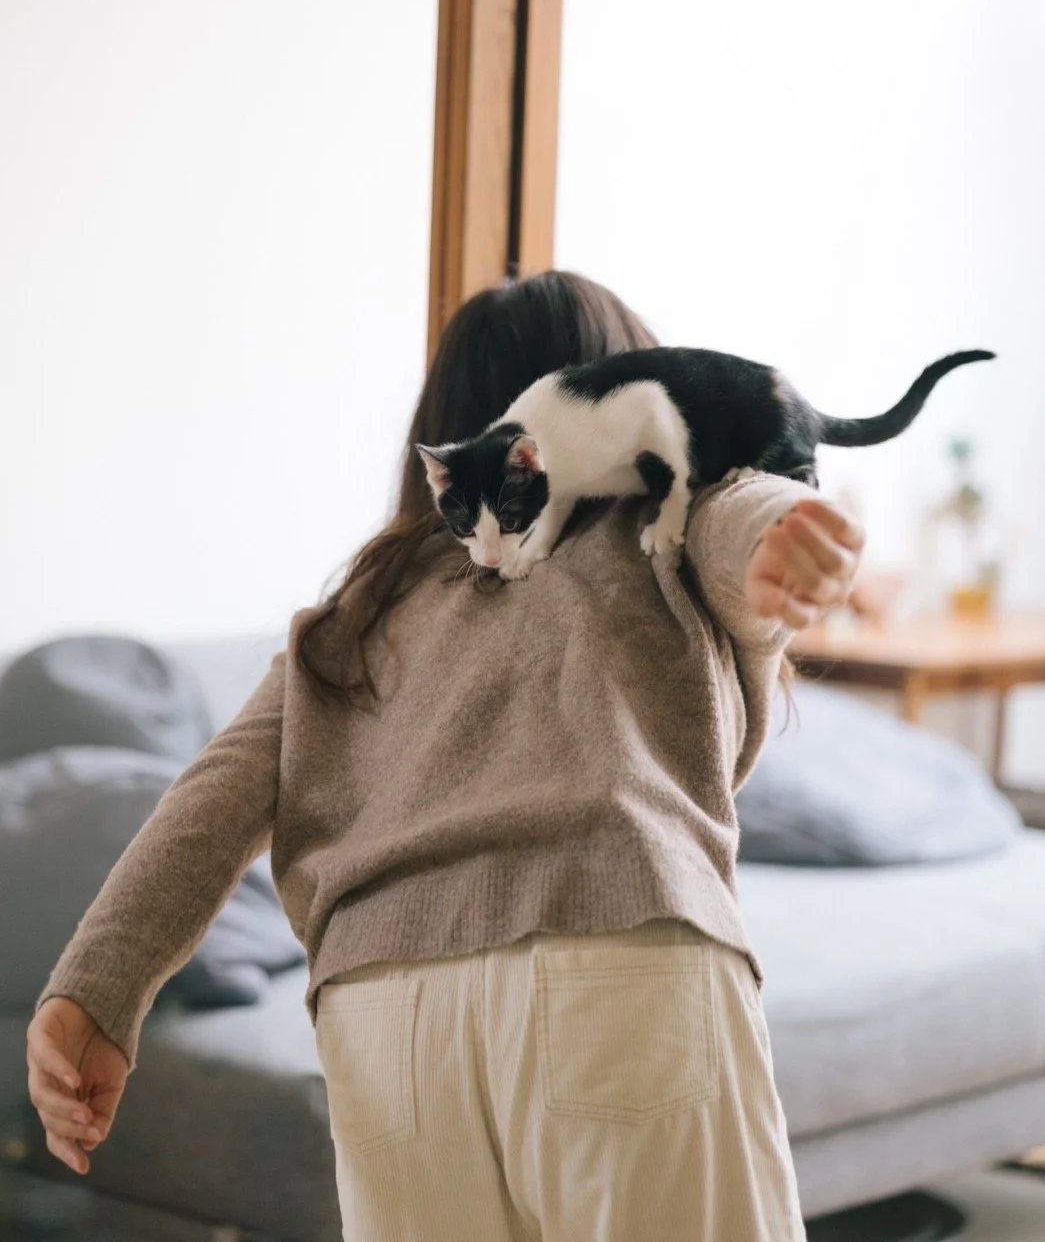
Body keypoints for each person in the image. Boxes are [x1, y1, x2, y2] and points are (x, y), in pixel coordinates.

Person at [27, 270, 864, 1242]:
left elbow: (210, 798)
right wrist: (784, 531)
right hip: (612, 948)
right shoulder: (649, 530)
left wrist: (91, 989)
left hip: (383, 1016)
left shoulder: (358, 611)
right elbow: (737, 514)